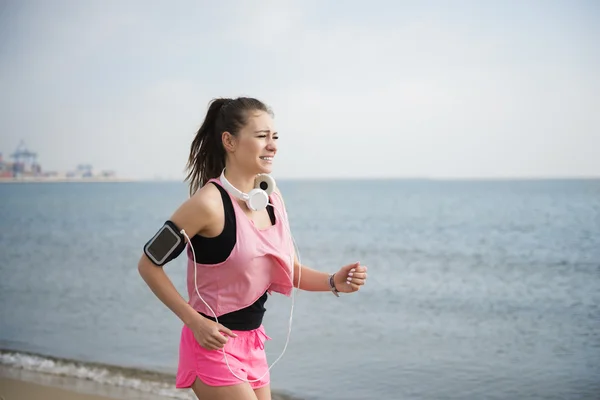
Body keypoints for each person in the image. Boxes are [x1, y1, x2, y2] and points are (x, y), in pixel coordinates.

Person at [137, 96, 368, 400]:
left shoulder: (271, 197)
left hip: (253, 344)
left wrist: (331, 282)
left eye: (274, 137)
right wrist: (194, 322)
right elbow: (148, 264)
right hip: (212, 345)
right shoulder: (206, 205)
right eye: (261, 136)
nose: (272, 145)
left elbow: (289, 271)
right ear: (229, 142)